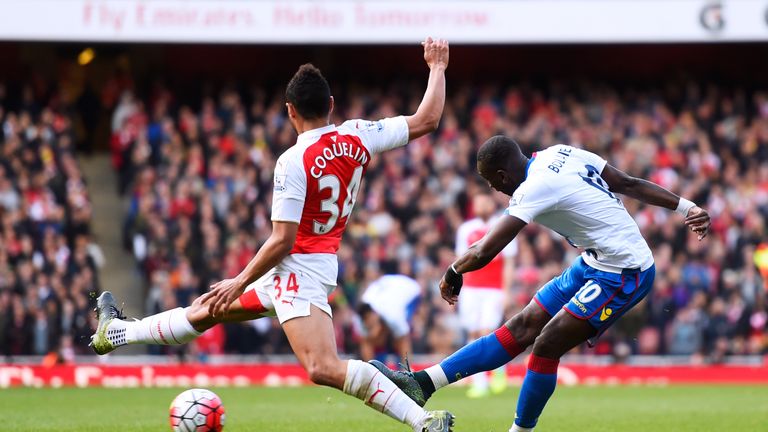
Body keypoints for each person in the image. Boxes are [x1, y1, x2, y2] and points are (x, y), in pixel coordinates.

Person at [91, 37, 454, 432]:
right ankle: (117, 331)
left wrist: (239, 279)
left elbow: (282, 239)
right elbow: (427, 119)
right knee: (205, 311)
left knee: (322, 367)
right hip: (301, 268)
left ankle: (422, 420)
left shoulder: (292, 160)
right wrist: (437, 67)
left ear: (289, 111)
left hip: (298, 271)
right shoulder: (359, 135)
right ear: (331, 106)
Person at [372, 136, 711, 432]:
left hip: (626, 272)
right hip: (594, 262)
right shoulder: (560, 152)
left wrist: (453, 271)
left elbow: (487, 248)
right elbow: (628, 182)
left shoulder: (533, 188)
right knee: (522, 326)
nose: (495, 189)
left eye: (493, 182)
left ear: (503, 176)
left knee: (547, 343)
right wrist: (686, 206)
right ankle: (422, 384)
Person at [454, 192, 516, 398]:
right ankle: (479, 382)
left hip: (493, 289)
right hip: (471, 289)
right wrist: (456, 287)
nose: (481, 205)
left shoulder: (503, 225)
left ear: (491, 204)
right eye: (477, 202)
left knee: (487, 330)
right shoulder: (466, 229)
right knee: (472, 333)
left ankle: (498, 370)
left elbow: (508, 262)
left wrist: (507, 291)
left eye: (485, 202)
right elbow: (460, 260)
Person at [357, 273, 422, 362]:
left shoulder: (393, 316)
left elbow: (404, 340)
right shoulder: (360, 316)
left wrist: (407, 371)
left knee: (400, 336)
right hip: (384, 284)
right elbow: (365, 343)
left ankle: (400, 363)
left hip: (410, 287)